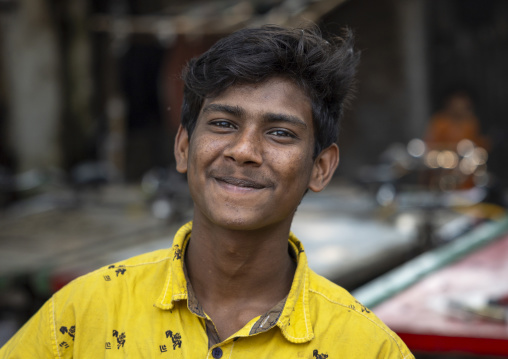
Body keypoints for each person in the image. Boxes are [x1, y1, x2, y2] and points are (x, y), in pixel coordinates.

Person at [0, 25, 414, 358]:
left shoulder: (367, 348)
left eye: (280, 133)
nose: (244, 151)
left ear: (320, 168)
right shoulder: (81, 316)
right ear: (183, 147)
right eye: (223, 124)